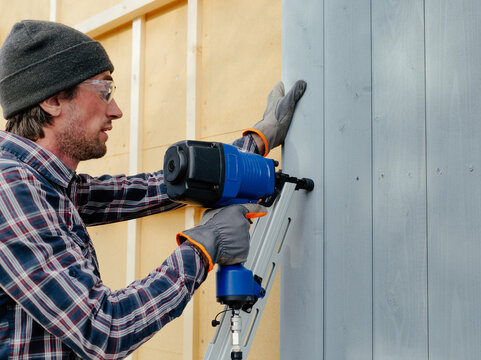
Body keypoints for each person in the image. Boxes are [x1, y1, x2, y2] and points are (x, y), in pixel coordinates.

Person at [0, 20, 306, 359]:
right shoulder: (9, 188)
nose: (116, 110)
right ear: (54, 100)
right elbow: (104, 329)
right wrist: (205, 245)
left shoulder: (43, 183)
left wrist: (251, 146)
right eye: (104, 91)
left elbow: (140, 191)